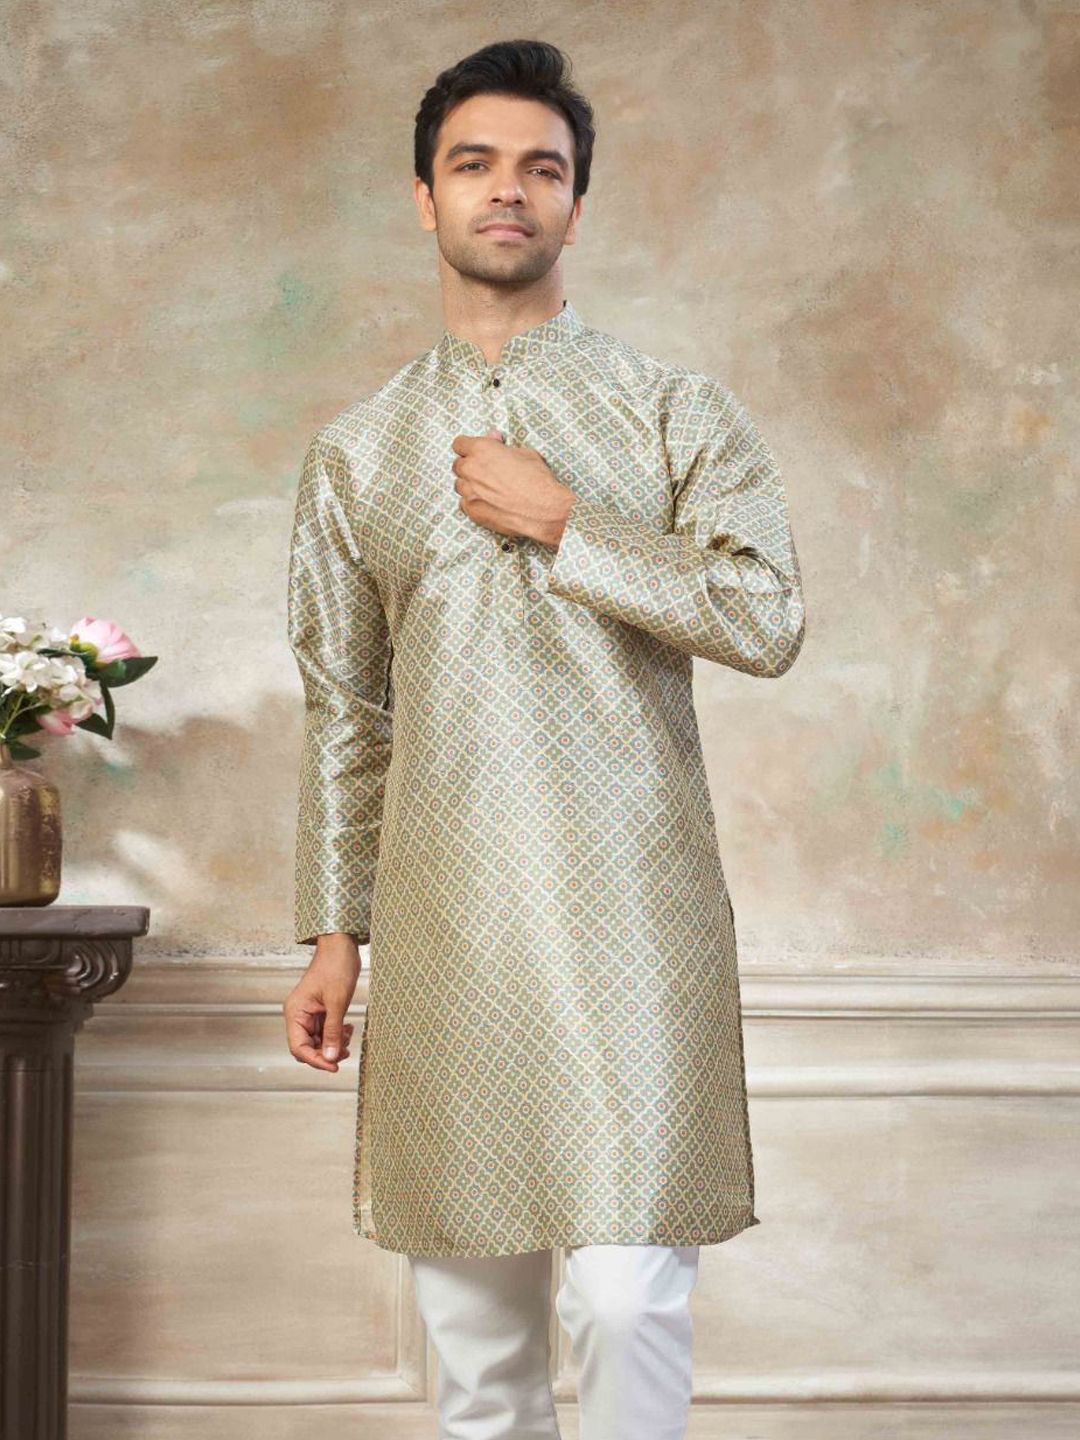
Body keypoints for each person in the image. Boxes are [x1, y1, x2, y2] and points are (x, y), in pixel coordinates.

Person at [282, 37, 806, 1440]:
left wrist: (571, 524)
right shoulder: (357, 451)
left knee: (626, 1303)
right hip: (448, 924)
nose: (507, 190)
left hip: (635, 918)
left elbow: (766, 615)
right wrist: (333, 934)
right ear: (426, 197)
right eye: (475, 165)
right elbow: (349, 707)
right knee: (478, 1348)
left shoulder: (672, 411)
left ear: (578, 202)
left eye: (542, 168)